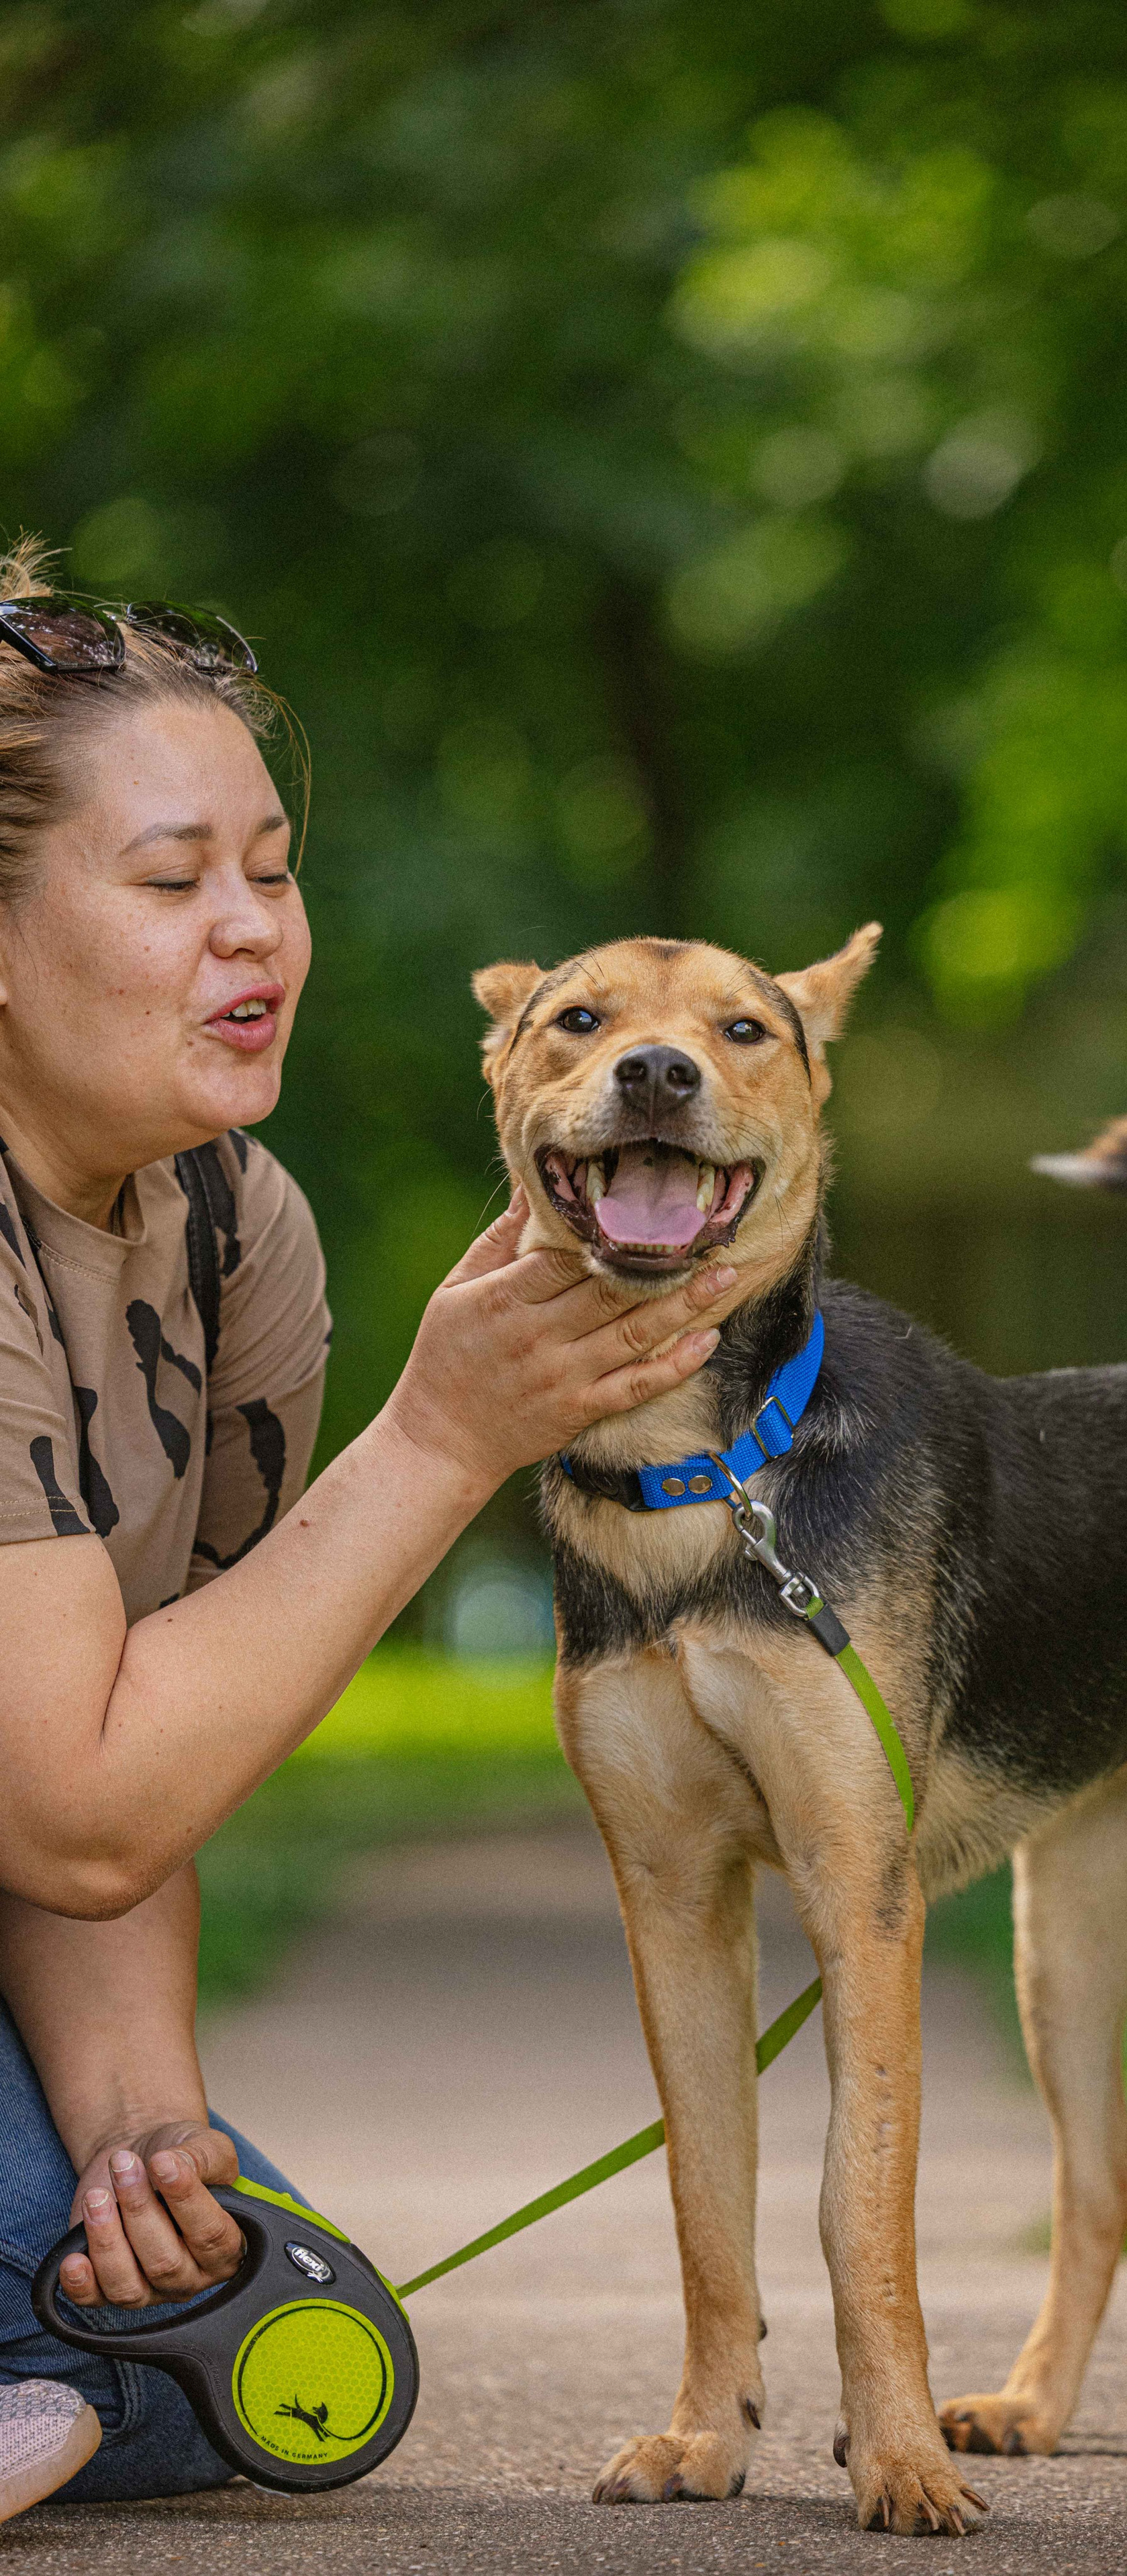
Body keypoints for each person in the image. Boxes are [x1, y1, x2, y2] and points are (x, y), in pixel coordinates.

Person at [0, 544, 734, 2516]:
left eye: (270, 868)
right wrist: (443, 1437)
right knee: (76, 2342)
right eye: (171, 883)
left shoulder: (235, 1228)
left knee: (267, 2349)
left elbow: (130, 1777)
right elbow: (68, 1809)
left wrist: (142, 2138)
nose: (254, 933)